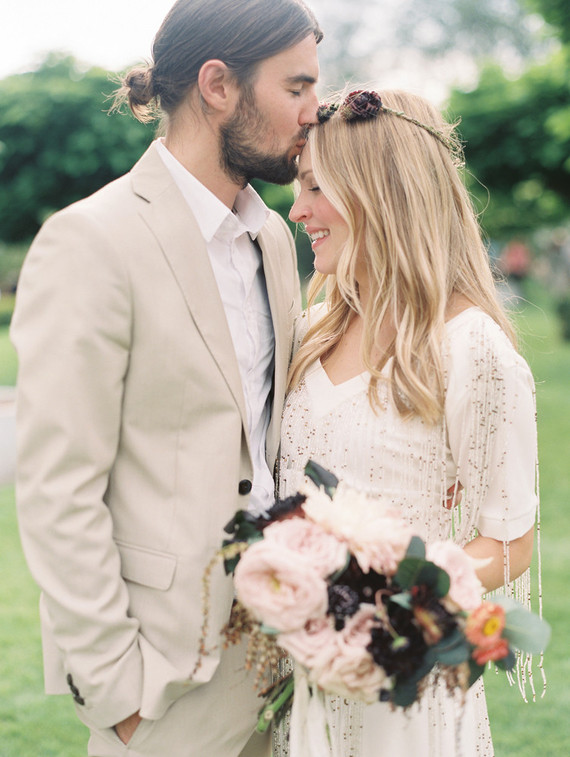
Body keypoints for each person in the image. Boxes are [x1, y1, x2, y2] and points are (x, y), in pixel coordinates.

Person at [11, 1, 321, 755]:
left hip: (288, 659)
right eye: (297, 87)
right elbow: (58, 486)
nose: (317, 111)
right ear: (218, 85)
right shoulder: (91, 240)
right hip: (162, 683)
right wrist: (118, 691)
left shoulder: (275, 237)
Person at [278, 89, 539, 756]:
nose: (296, 208)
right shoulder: (309, 330)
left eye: (315, 186)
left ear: (379, 191)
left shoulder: (471, 347)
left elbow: (510, 542)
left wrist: (386, 597)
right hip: (298, 680)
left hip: (403, 685)